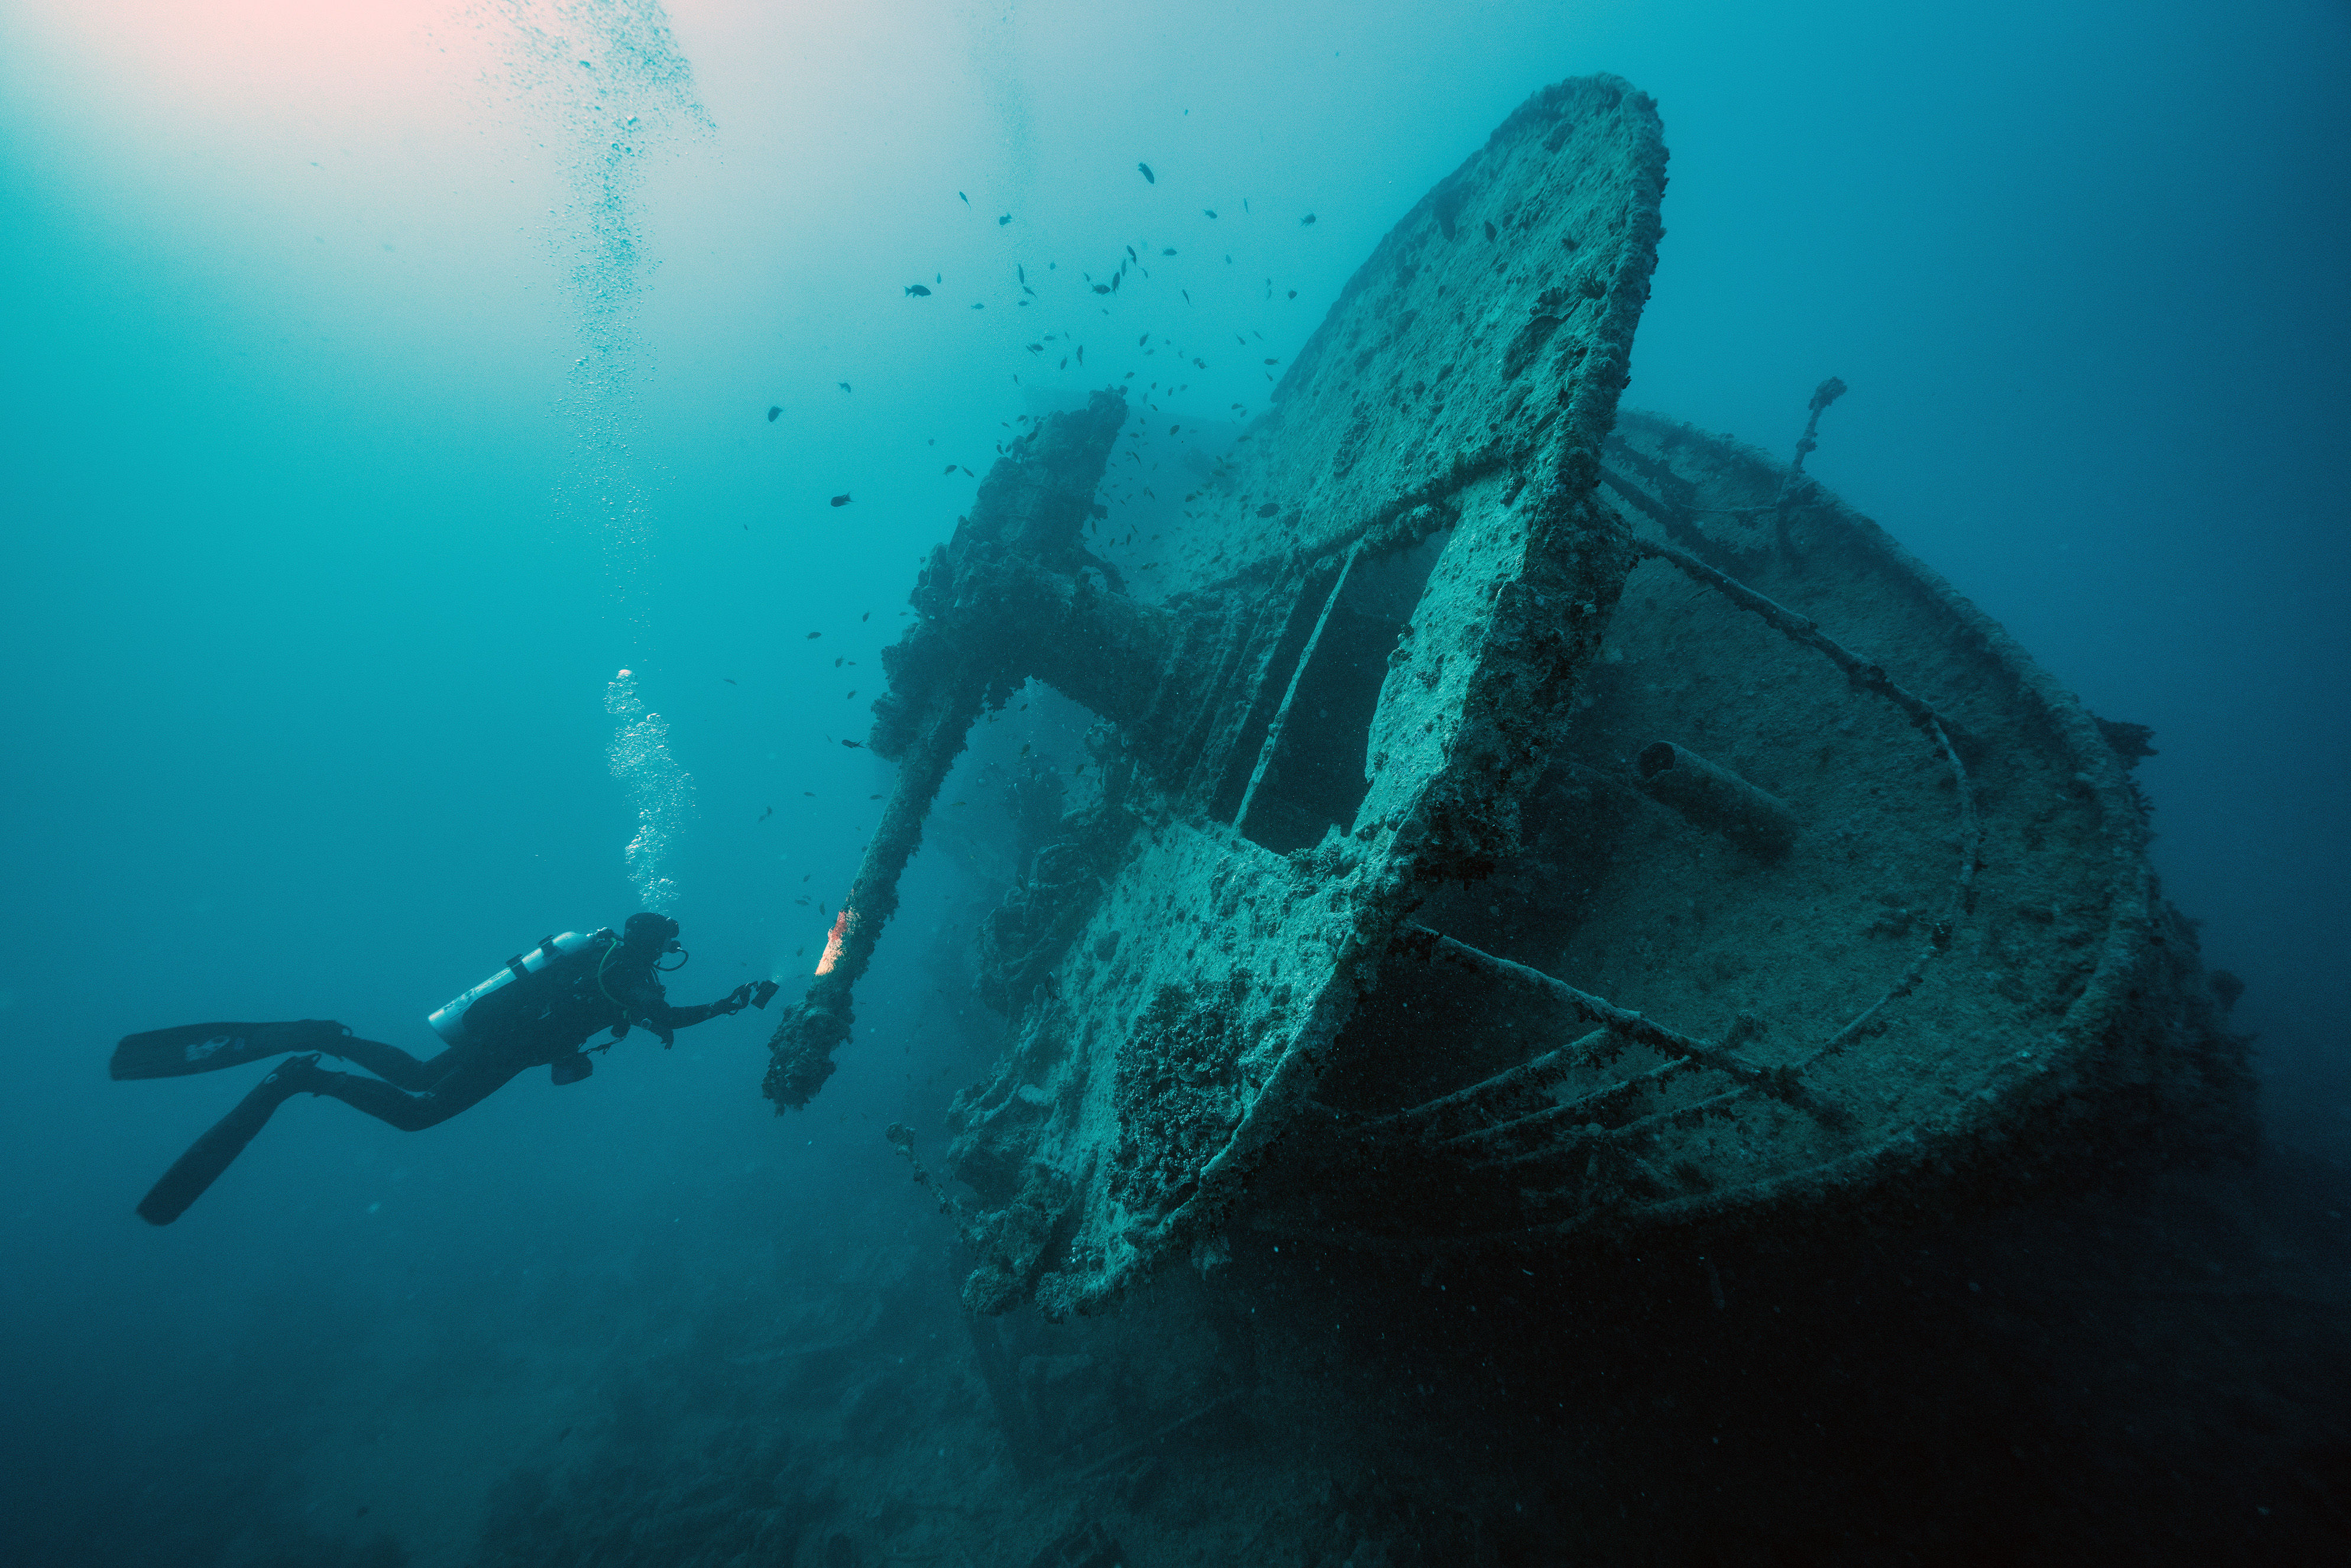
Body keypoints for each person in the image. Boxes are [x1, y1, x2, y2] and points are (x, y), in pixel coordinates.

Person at [116, 913, 765, 1226]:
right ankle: (306, 1075)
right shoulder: (623, 973)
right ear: (655, 946)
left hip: (503, 1041)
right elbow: (665, 1018)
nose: (671, 955)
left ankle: (321, 1043)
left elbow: (642, 1016)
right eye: (669, 946)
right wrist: (728, 1004)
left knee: (420, 1076)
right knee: (418, 1113)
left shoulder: (607, 963)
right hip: (507, 1049)